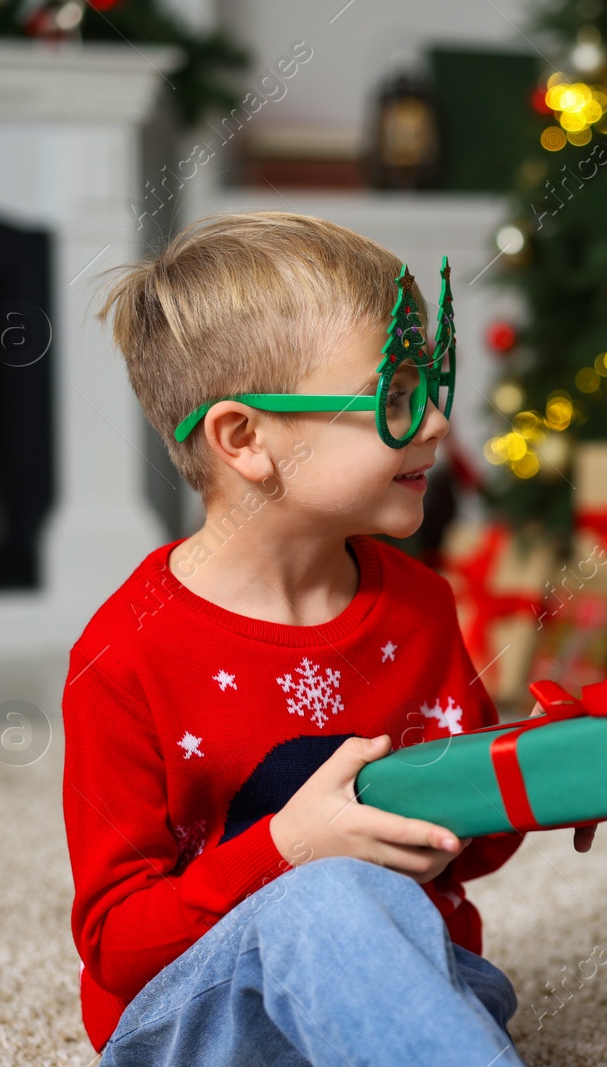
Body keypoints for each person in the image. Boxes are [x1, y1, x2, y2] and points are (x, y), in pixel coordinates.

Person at [62, 212, 533, 1066]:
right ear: (245, 439)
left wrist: (543, 774)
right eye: (391, 395)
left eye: (432, 385)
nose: (432, 421)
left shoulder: (419, 603)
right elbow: (116, 944)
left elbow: (479, 846)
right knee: (329, 897)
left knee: (448, 976)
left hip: (417, 980)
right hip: (199, 1021)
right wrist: (290, 849)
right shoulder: (123, 655)